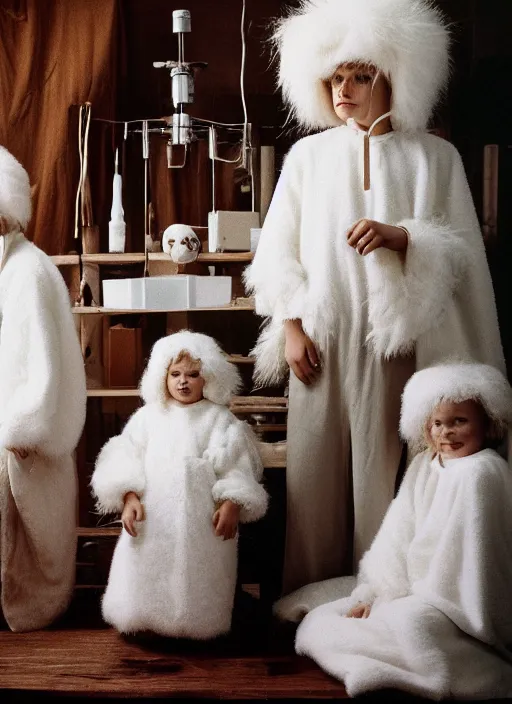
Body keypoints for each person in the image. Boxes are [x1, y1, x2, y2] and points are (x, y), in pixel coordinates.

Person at [244, 0, 505, 595]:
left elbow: (461, 254)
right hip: (323, 340)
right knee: (316, 473)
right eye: (336, 77)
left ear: (396, 77)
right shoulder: (307, 158)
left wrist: (402, 237)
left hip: (400, 344)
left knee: (392, 465)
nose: (345, 89)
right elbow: (278, 250)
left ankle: (384, 594)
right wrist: (291, 327)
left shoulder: (434, 157)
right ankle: (312, 593)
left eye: (361, 75)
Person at [274, 363, 512, 699]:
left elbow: (474, 559)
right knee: (327, 614)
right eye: (437, 423)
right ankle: (381, 635)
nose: (447, 433)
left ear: (486, 423)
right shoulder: (424, 465)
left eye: (460, 421)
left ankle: (417, 657)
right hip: (416, 588)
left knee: (412, 622)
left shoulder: (483, 472)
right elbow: (398, 533)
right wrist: (376, 590)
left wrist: (422, 595)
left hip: (453, 601)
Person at [91, 331, 268, 639]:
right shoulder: (148, 418)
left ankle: (197, 625)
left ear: (209, 377)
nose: (183, 381)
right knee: (147, 568)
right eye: (175, 374)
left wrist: (231, 503)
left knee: (198, 575)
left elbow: (236, 466)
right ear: (162, 376)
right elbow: (124, 455)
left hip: (202, 521)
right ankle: (142, 618)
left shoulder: (219, 419)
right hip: (153, 516)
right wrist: (129, 496)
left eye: (193, 374)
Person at [0, 145, 87, 631]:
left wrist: (25, 424)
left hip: (22, 434)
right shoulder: (8, 271)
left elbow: (44, 359)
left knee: (30, 535)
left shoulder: (28, 272)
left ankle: (29, 606)